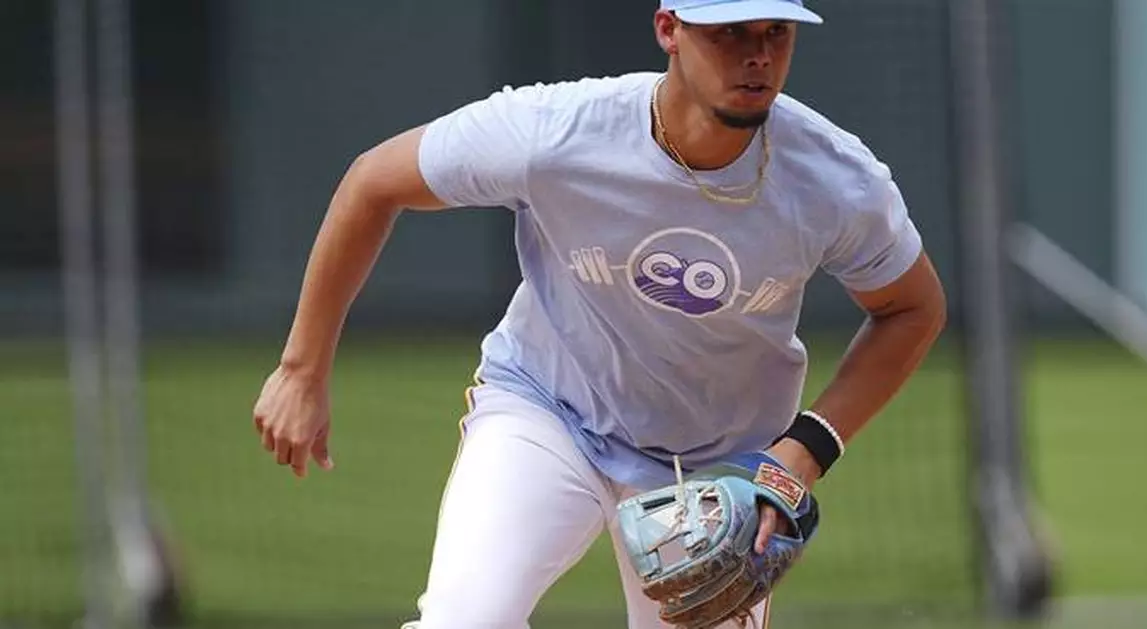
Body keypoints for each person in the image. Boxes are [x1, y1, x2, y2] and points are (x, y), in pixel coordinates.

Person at [251, 0, 947, 626]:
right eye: (729, 30)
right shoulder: (557, 132)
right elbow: (374, 180)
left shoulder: (833, 178)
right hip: (552, 412)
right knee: (464, 619)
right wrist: (300, 367)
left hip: (720, 464)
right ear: (668, 29)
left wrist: (803, 450)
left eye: (776, 32)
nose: (757, 53)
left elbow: (913, 307)